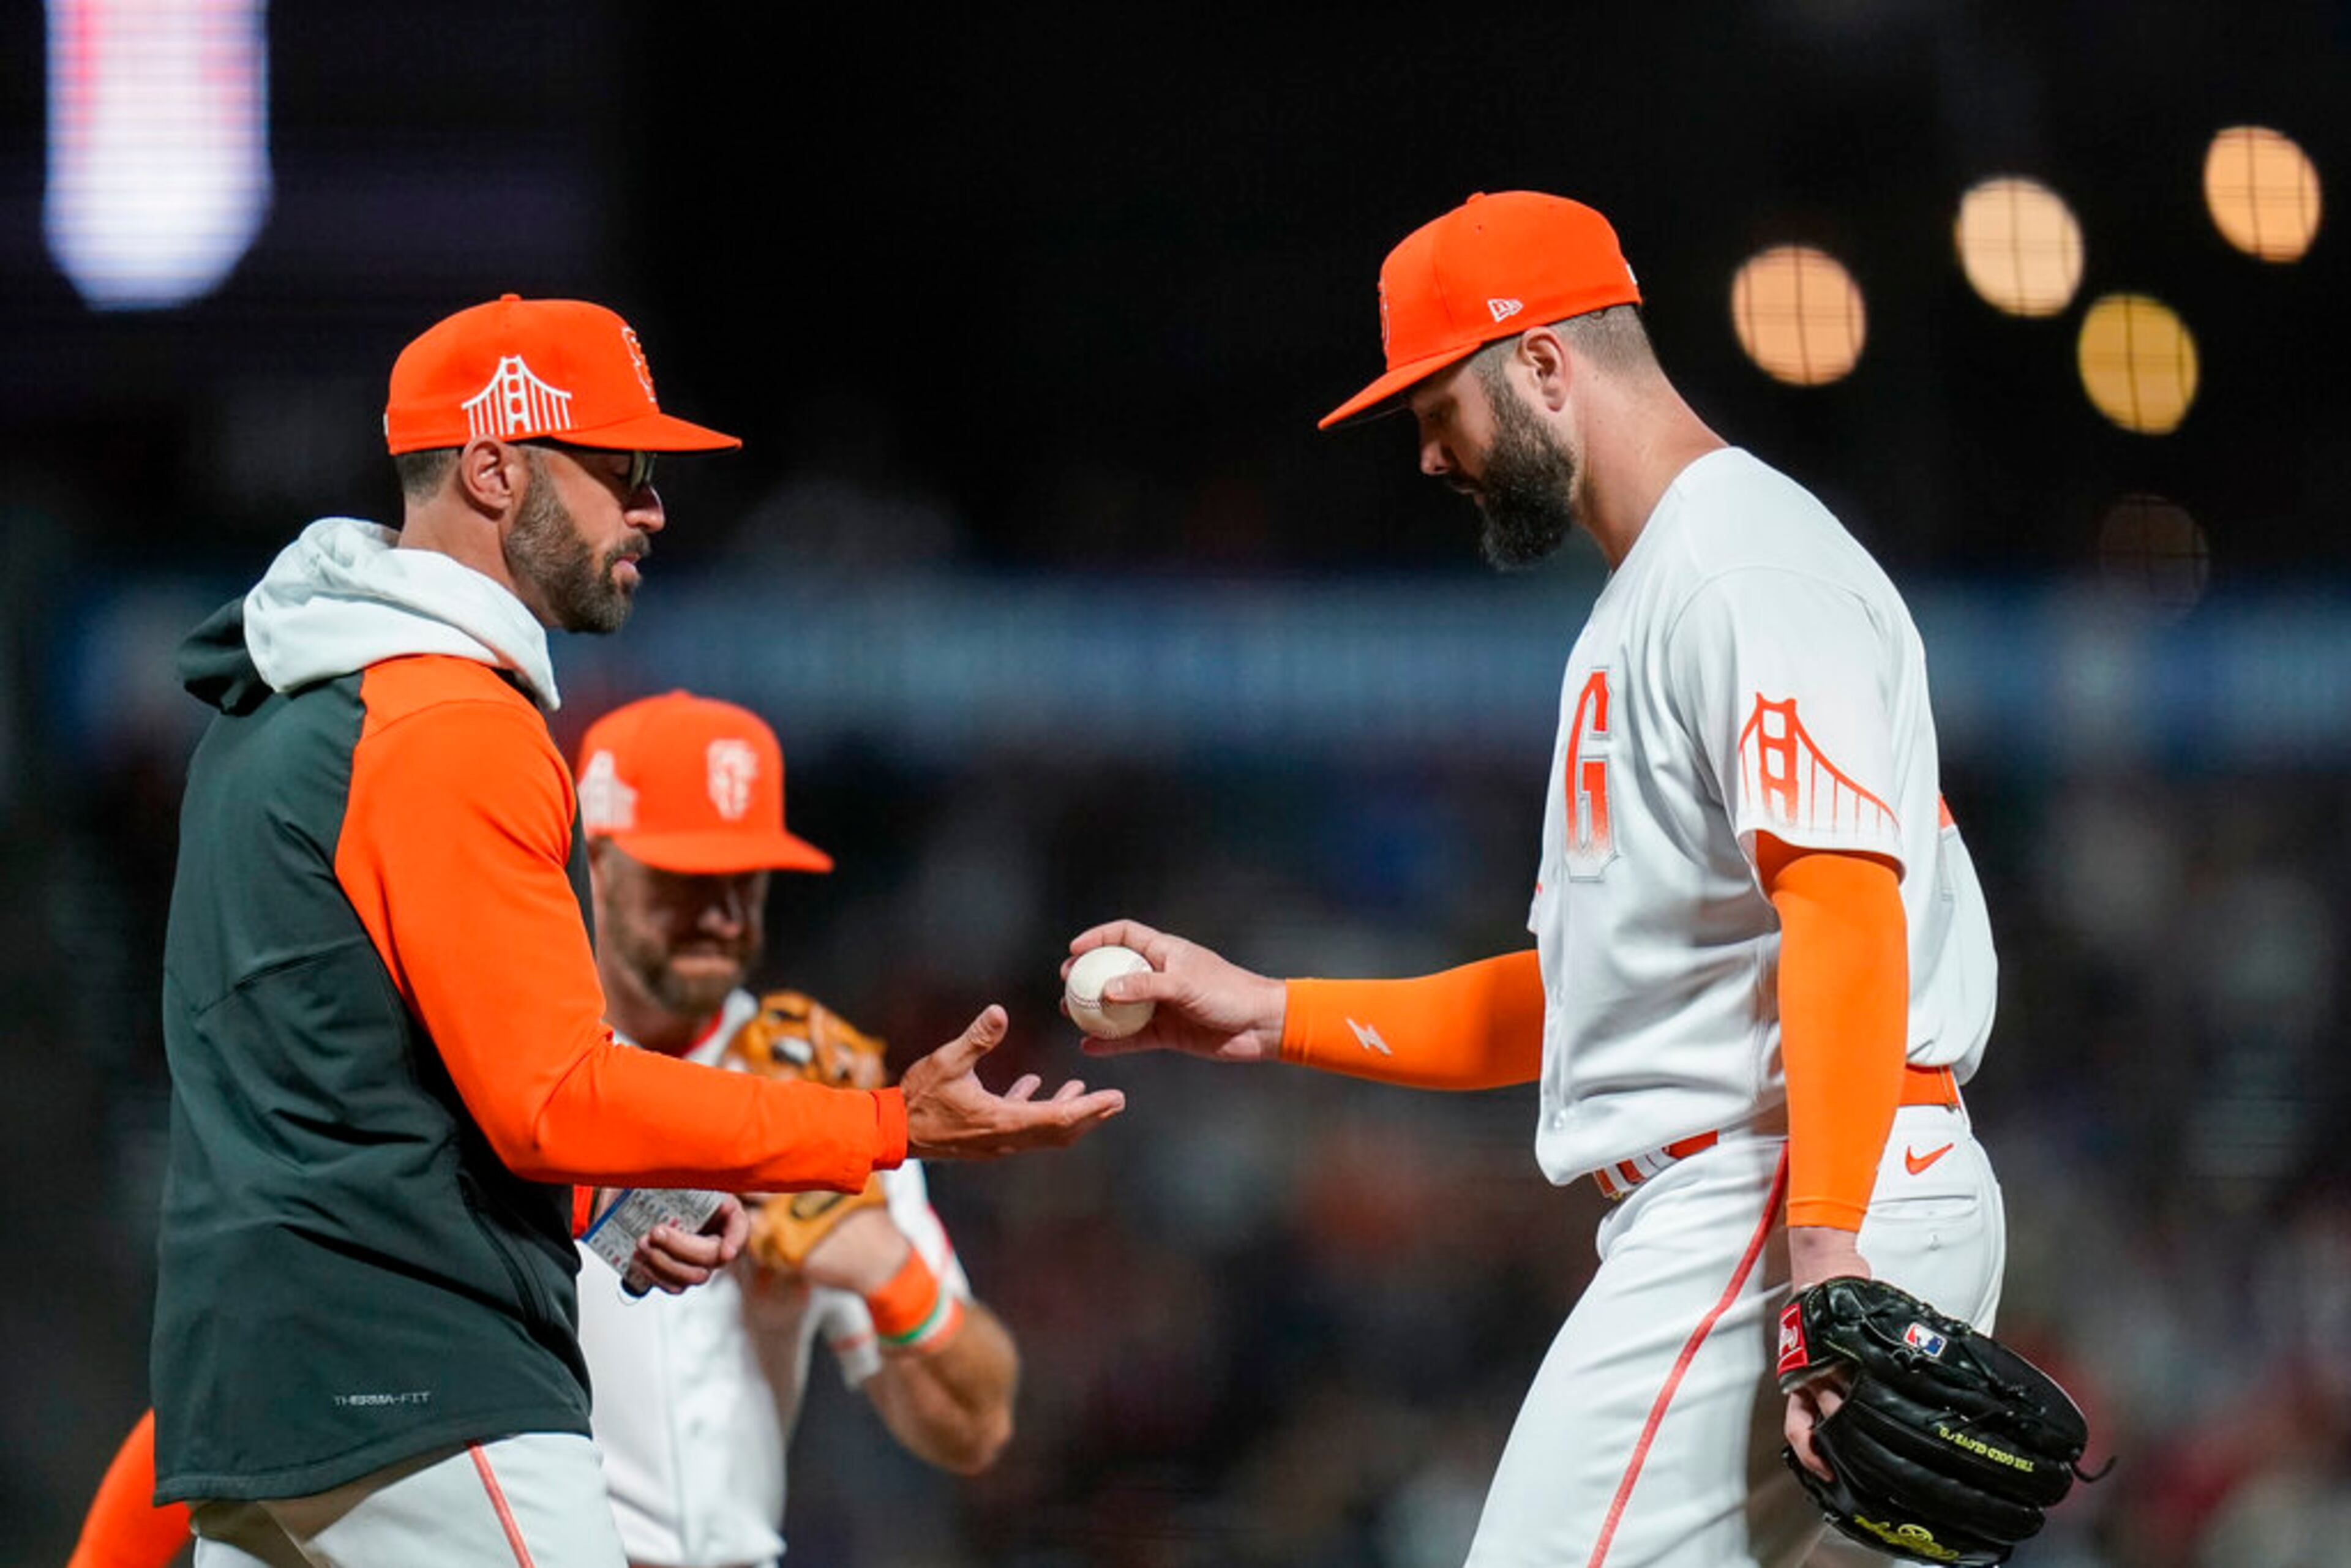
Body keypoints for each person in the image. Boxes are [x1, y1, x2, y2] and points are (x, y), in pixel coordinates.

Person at [1067, 192, 2002, 1567]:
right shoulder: (1660, 588)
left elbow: (1845, 910)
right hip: (1793, 1191)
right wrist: (1272, 1012)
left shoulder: (1737, 562)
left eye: (1438, 407)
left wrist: (1826, 1266)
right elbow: (1589, 1001)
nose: (1430, 455)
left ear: (1544, 364)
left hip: (1787, 1194)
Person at [150, 294, 1121, 1568]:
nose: (653, 509)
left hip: (255, 1393)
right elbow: (551, 1101)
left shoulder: (276, 714)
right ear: (493, 469)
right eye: (620, 471)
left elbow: (351, 1067)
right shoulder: (452, 720)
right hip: (425, 1381)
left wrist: (609, 1204)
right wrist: (887, 1122)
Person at [73, 690, 1026, 1568]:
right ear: (592, 863)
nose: (724, 914)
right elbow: (259, 1376)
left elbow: (977, 1427)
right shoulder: (489, 1077)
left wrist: (884, 1268)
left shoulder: (820, 1101)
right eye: (688, 877)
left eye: (748, 878)